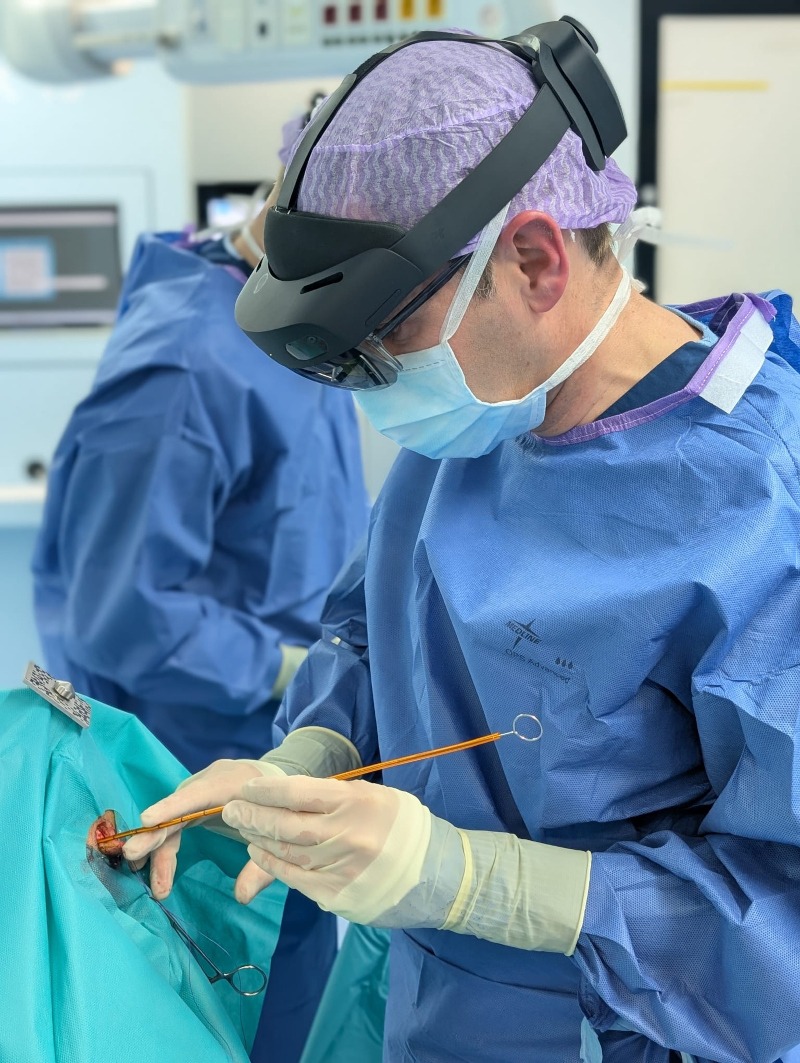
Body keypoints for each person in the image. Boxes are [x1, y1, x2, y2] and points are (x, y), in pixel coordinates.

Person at [123, 20, 800, 1063]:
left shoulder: (760, 507)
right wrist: (309, 759)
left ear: (532, 259)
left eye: (387, 334)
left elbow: (781, 926)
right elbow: (376, 639)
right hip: (419, 1004)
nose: (377, 382)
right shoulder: (485, 415)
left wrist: (481, 883)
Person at [31, 103, 370, 1063]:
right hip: (193, 761)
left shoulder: (289, 326)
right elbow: (123, 611)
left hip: (273, 748)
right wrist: (284, 666)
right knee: (223, 1005)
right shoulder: (187, 365)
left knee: (288, 978)